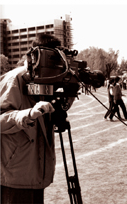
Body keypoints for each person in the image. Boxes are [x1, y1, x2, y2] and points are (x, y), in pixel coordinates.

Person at [0, 34, 76, 203]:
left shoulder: (47, 79)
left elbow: (50, 114)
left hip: (36, 172)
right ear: (36, 56)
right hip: (15, 175)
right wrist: (27, 114)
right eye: (51, 59)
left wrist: (67, 98)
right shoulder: (14, 79)